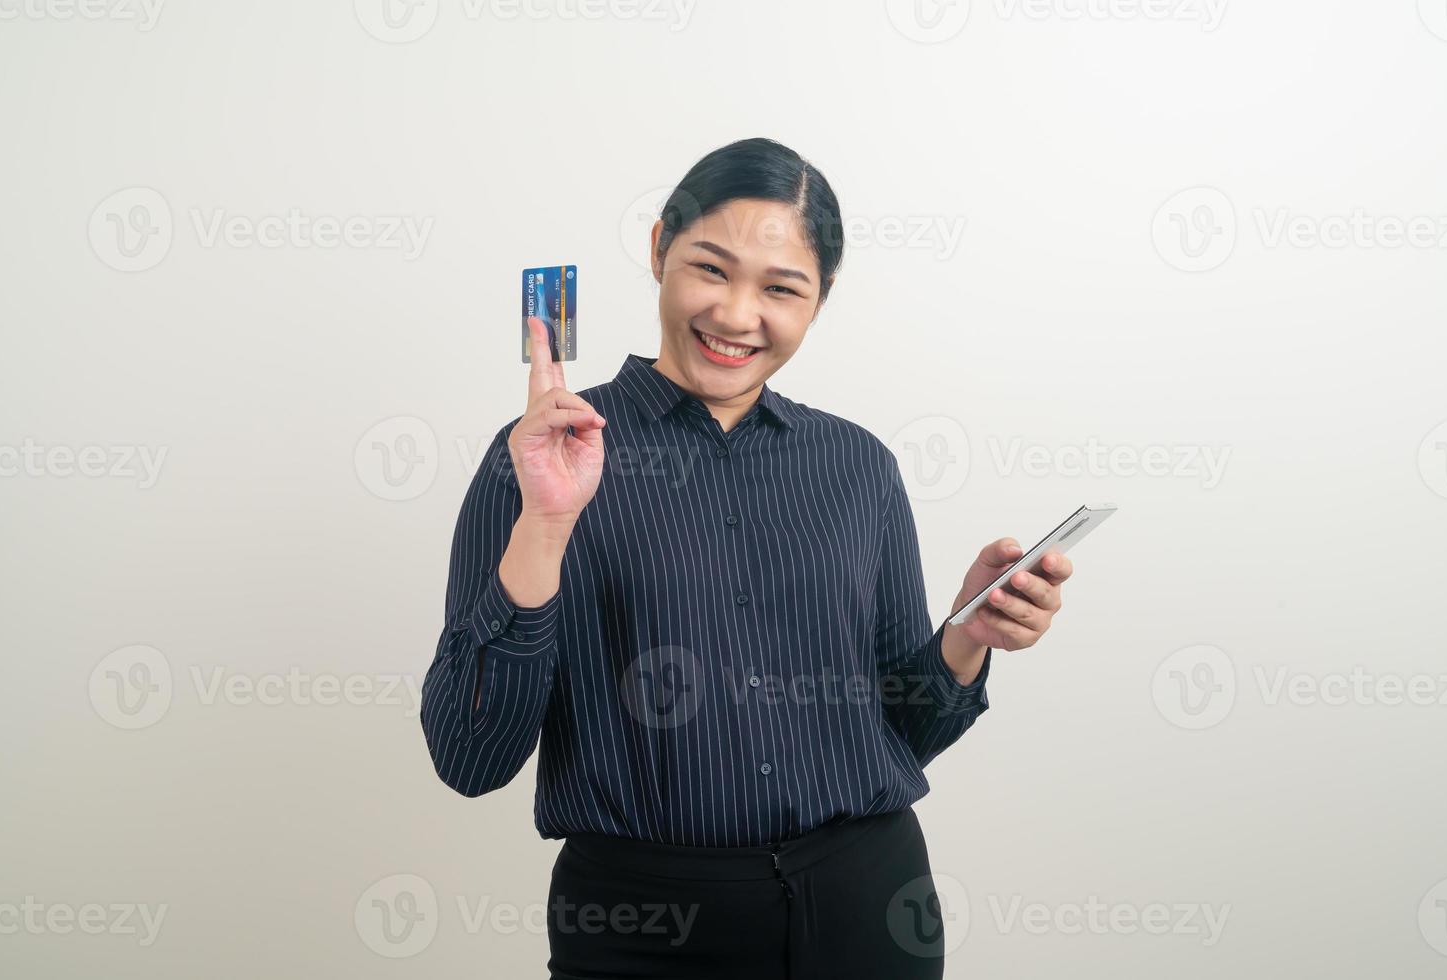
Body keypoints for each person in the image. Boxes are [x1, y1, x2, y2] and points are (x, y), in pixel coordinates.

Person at [420, 137, 1076, 979]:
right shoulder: (540, 459)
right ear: (659, 249)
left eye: (780, 288)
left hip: (872, 906)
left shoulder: (856, 465)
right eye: (710, 269)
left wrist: (968, 635)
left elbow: (902, 734)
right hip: (645, 927)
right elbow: (470, 758)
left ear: (821, 299)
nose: (736, 315)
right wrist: (546, 522)